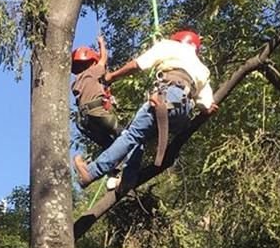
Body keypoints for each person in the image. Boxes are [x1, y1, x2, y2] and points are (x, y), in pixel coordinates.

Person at [72, 29, 218, 190]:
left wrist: (112, 76)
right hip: (182, 112)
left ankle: (92, 172)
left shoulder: (169, 46)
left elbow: (138, 64)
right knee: (138, 138)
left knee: (131, 136)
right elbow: (207, 106)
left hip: (166, 97)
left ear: (177, 40)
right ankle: (127, 179)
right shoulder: (202, 69)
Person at [71, 35, 121, 150]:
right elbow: (103, 59)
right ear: (93, 62)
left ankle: (113, 165)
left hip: (85, 121)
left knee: (109, 145)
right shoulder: (93, 71)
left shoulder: (77, 82)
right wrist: (101, 43)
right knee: (125, 135)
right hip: (97, 112)